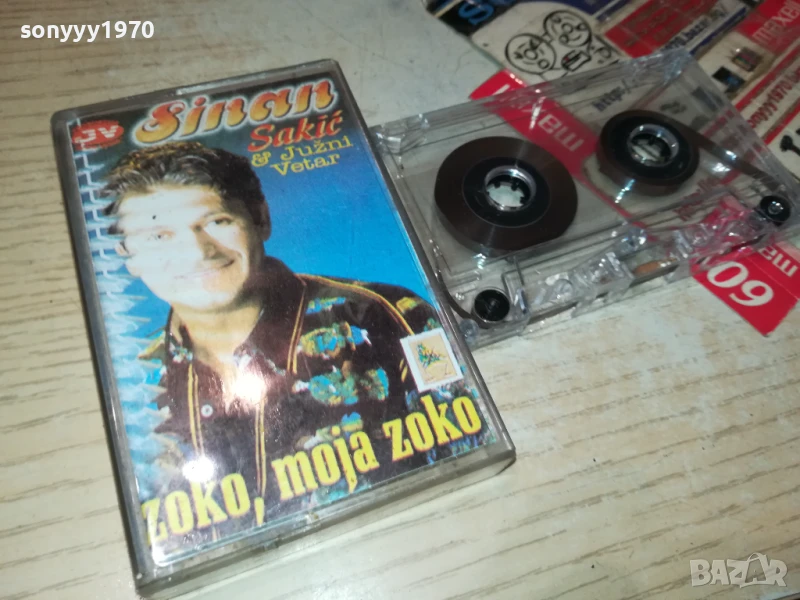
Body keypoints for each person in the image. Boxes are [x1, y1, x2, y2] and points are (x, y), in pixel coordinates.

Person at [101, 141, 444, 526]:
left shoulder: (389, 315)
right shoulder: (134, 386)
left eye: (217, 222)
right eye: (158, 237)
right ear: (126, 255)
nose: (197, 252)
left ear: (260, 219)